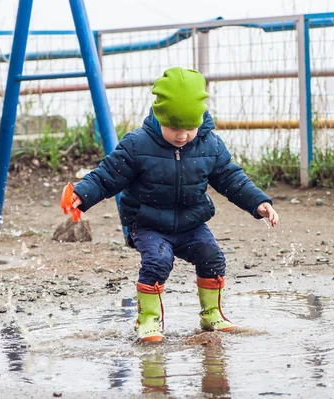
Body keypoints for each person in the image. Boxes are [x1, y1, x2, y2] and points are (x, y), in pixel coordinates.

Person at [70, 67, 278, 342]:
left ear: (200, 120)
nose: (182, 136)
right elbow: (107, 176)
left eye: (189, 129)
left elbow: (231, 178)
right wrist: (81, 195)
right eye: (174, 129)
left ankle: (212, 315)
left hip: (191, 222)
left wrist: (259, 203)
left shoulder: (210, 145)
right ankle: (148, 321)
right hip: (147, 223)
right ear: (158, 117)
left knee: (212, 257)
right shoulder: (136, 145)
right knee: (158, 260)